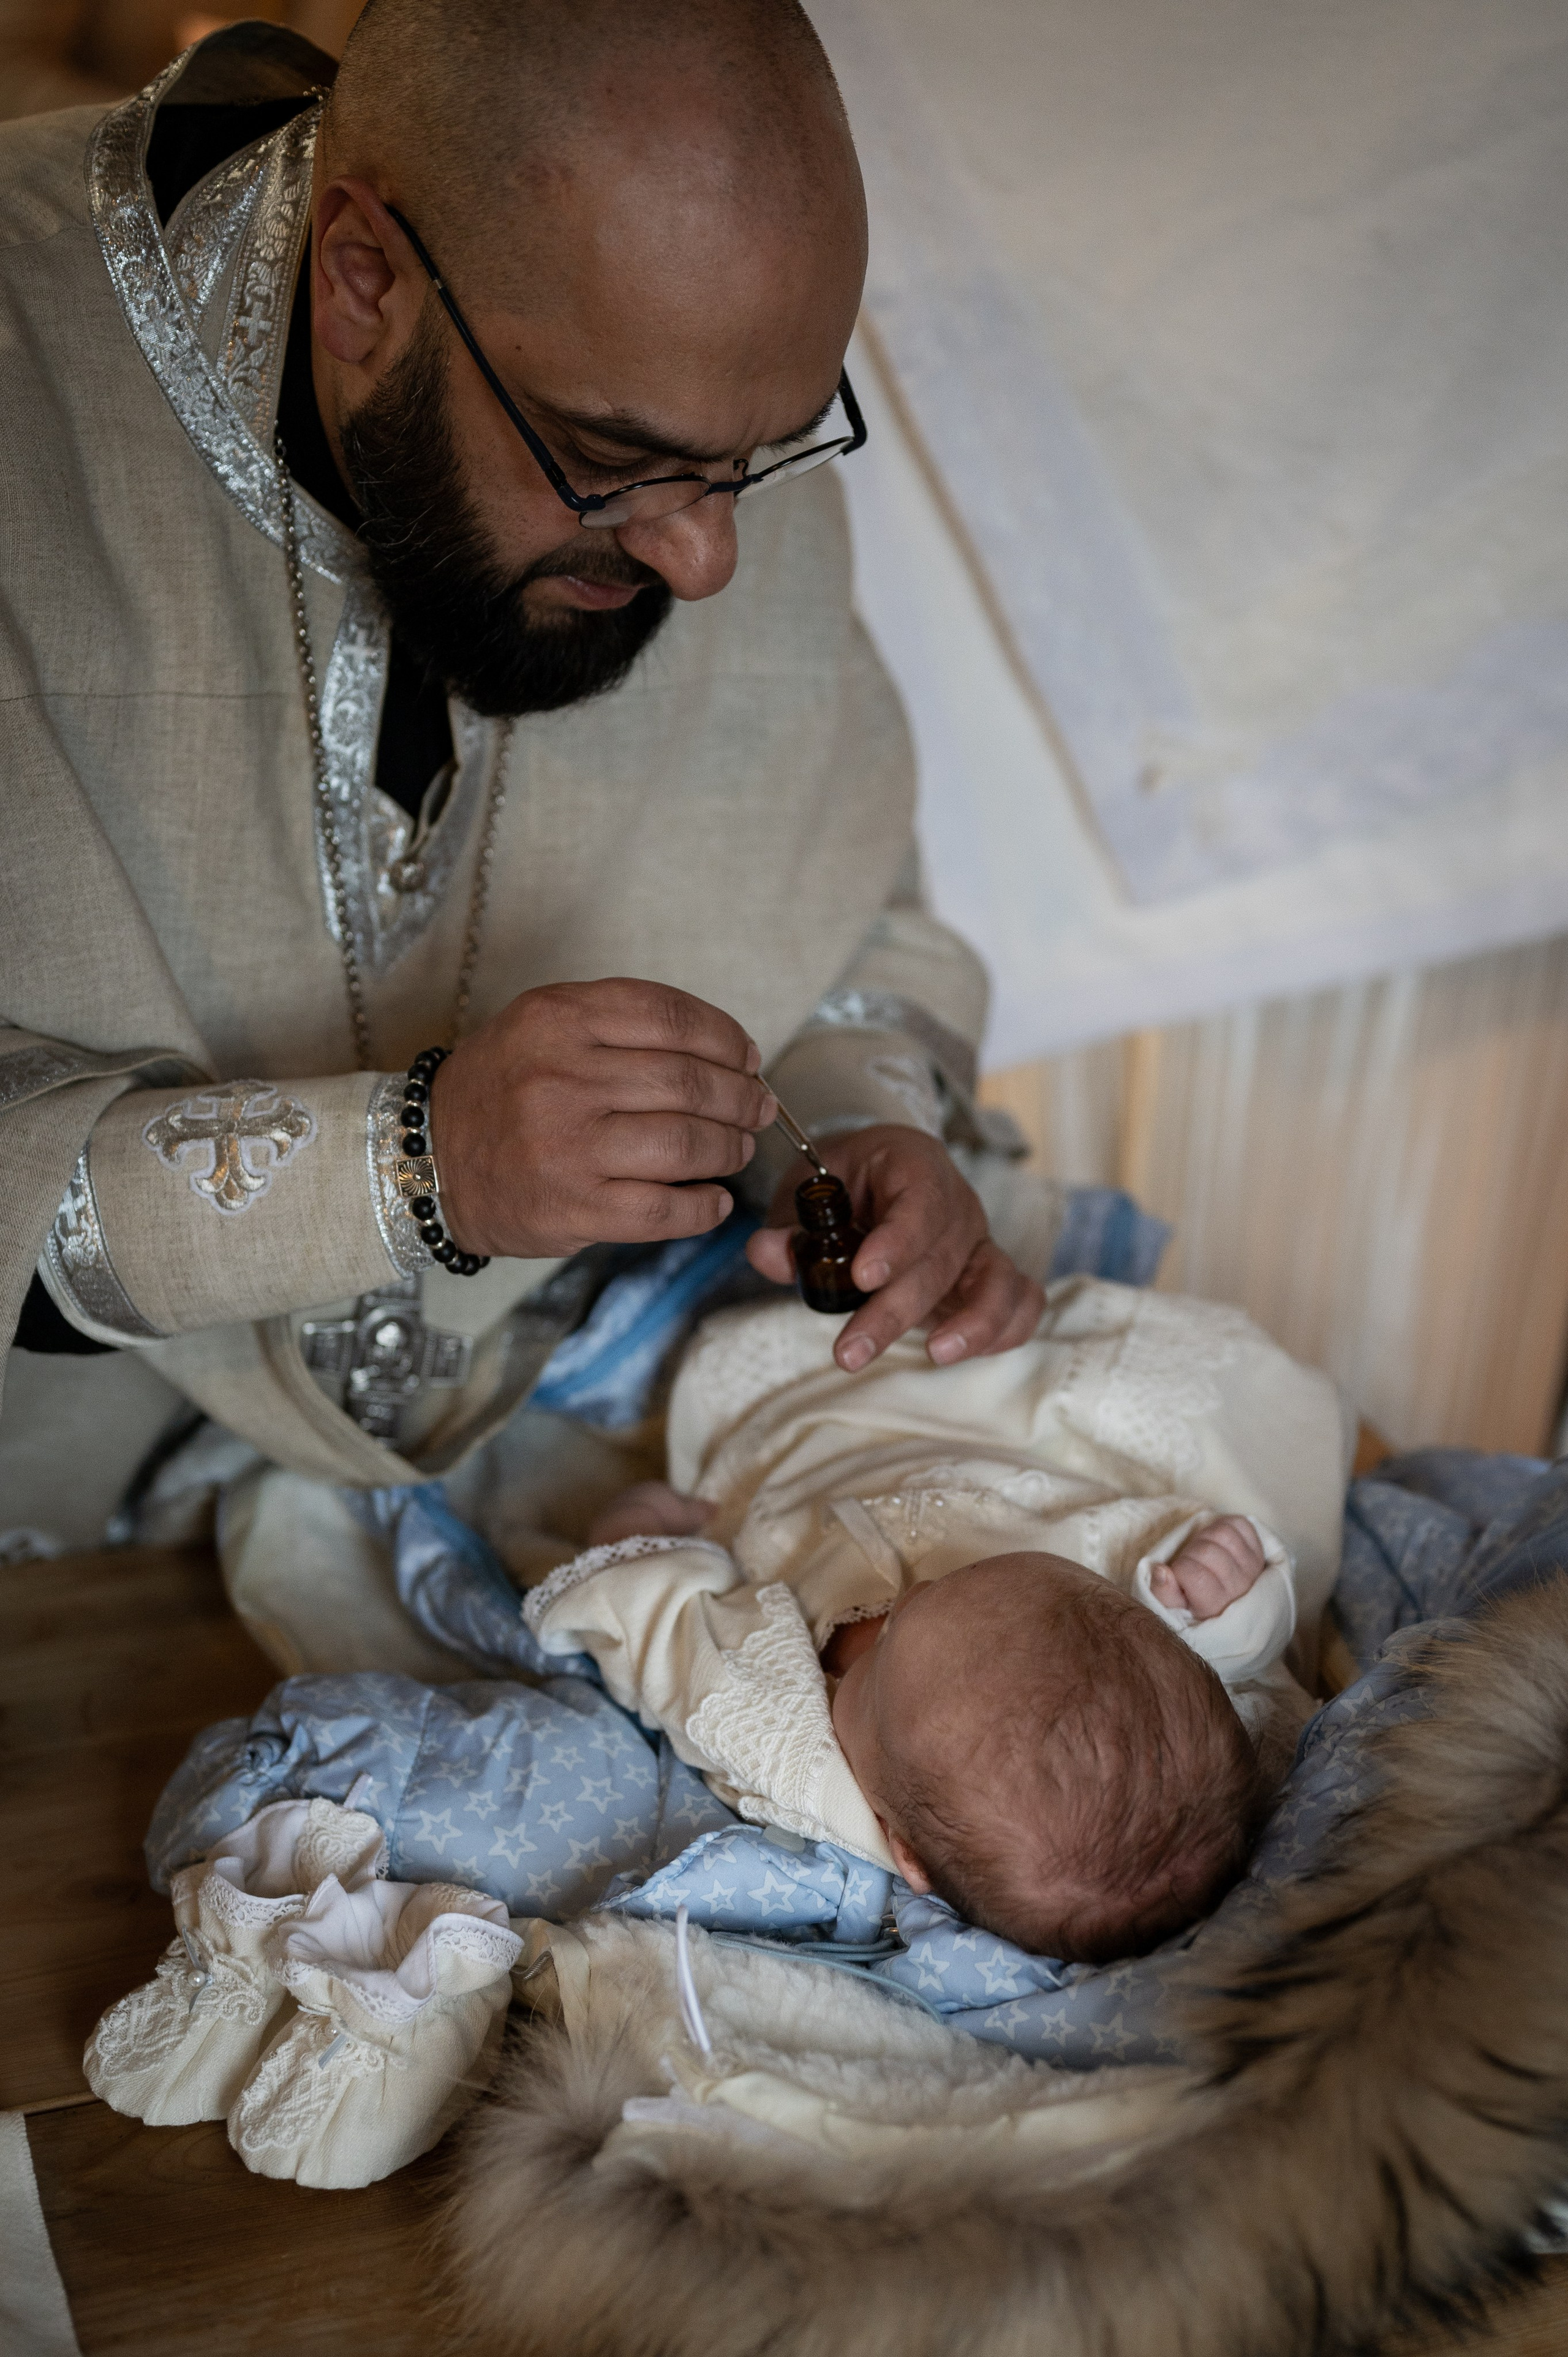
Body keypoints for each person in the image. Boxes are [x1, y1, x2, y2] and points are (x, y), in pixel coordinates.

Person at [0, 0, 1041, 1590]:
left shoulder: (695, 407)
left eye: (763, 457)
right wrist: (412, 1165)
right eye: (611, 460)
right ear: (364, 282)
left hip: (546, 1500)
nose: (709, 562)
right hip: (62, 1582)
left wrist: (851, 1135)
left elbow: (839, 917)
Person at [527, 1276, 1350, 1958]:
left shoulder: (797, 1756)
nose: (904, 1604)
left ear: (904, 1852)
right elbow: (1255, 1690)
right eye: (963, 1583)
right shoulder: (1140, 1669)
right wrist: (1223, 1609)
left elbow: (676, 1645)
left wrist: (638, 1548)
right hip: (990, 1449)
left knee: (745, 1367)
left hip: (804, 1477)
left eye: (882, 1656)